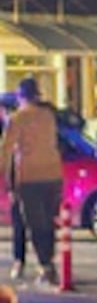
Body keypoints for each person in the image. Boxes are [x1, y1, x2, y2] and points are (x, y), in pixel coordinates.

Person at [0, 78, 63, 286]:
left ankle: (46, 266)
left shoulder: (18, 118)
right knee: (50, 222)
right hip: (53, 175)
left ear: (20, 96)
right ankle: (50, 263)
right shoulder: (48, 115)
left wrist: (6, 179)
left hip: (30, 177)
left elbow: (6, 150)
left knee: (36, 224)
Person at [0, 94, 26, 280]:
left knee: (20, 221)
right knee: (19, 221)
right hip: (15, 181)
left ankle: (19, 260)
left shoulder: (15, 128)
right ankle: (19, 260)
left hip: (19, 181)